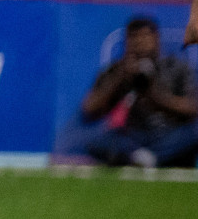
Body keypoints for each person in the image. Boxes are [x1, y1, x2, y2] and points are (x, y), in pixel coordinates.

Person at [80, 17, 198, 168]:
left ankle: (148, 157)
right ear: (126, 41)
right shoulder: (117, 70)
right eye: (134, 37)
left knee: (193, 133)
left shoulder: (176, 67)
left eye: (145, 36)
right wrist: (120, 78)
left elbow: (193, 109)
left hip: (169, 133)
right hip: (133, 136)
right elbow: (89, 110)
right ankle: (142, 157)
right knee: (98, 140)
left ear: (157, 38)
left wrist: (155, 96)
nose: (140, 42)